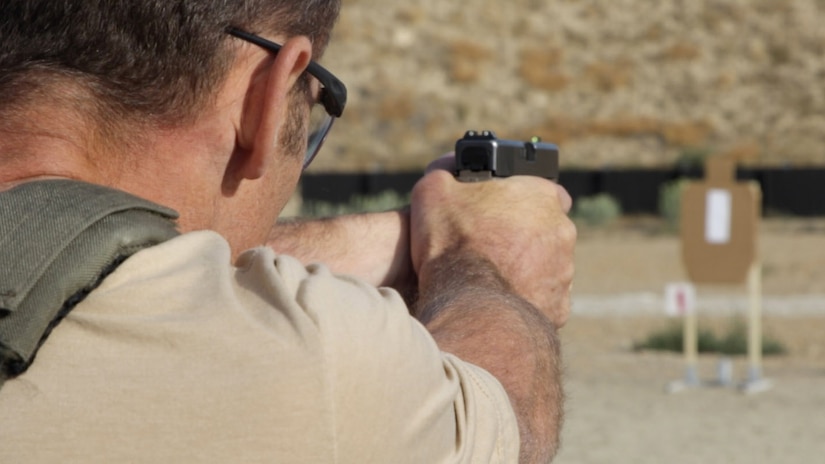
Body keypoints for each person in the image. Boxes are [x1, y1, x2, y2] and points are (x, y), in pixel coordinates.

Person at [0, 1, 576, 463]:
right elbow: (507, 426)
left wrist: (393, 243)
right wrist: (481, 262)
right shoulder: (319, 366)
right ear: (266, 97)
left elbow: (67, 249)